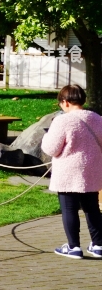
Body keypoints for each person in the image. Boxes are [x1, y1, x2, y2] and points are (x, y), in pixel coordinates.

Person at [42, 84, 102, 259]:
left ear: (65, 102)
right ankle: (98, 244)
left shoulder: (62, 120)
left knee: (69, 208)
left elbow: (51, 148)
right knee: (92, 208)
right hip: (92, 169)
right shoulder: (97, 118)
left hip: (68, 171)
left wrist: (46, 136)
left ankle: (73, 247)